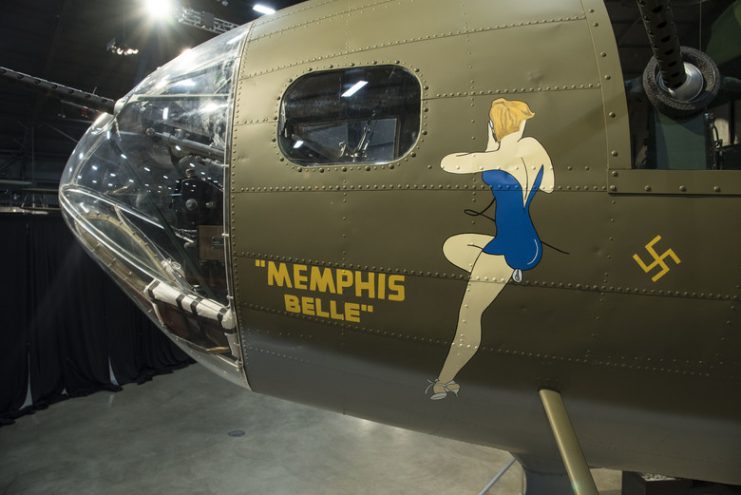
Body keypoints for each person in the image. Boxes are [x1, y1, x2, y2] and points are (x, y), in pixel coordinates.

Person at [428, 99, 555, 400]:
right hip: (527, 240)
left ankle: (443, 381)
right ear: (520, 123)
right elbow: (548, 184)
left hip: (510, 246)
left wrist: (491, 145)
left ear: (494, 125)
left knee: (469, 315)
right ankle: (508, 272)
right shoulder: (532, 147)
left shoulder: (497, 157)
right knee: (454, 246)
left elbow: (450, 163)